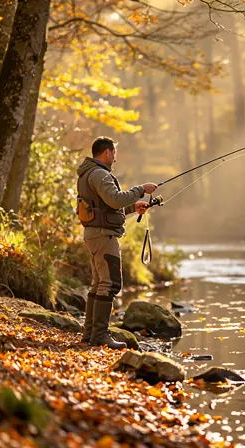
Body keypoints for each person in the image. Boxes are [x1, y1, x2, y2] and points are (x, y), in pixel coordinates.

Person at [76, 136, 157, 349]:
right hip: (104, 237)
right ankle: (100, 336)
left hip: (96, 234)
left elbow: (106, 207)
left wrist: (133, 208)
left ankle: (91, 335)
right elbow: (115, 199)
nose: (115, 159)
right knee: (110, 284)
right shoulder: (100, 174)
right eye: (114, 154)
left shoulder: (87, 173)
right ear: (107, 152)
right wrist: (141, 189)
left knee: (98, 284)